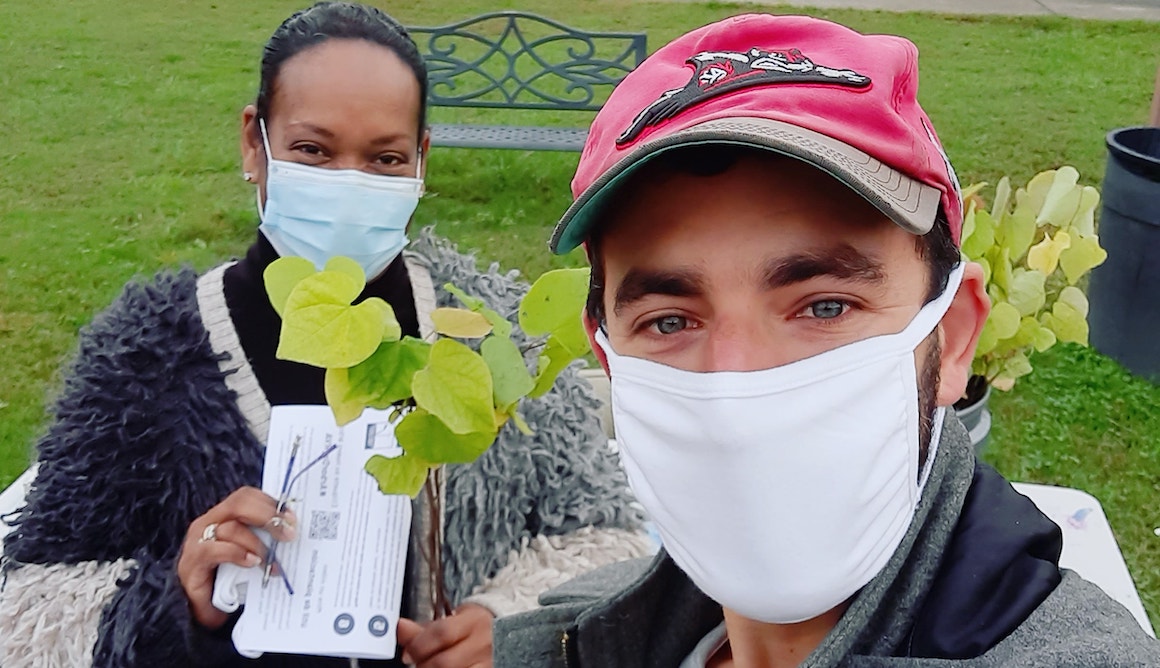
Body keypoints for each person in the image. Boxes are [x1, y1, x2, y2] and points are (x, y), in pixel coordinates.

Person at [493, 13, 1160, 667]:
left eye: (825, 306)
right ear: (609, 357)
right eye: (670, 322)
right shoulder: (574, 626)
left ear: (952, 337)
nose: (735, 402)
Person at [0, 3, 649, 666]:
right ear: (255, 143)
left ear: (421, 160)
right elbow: (28, 603)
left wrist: (509, 621)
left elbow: (611, 539)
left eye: (385, 158)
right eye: (312, 150)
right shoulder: (145, 356)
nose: (348, 184)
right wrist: (174, 599)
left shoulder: (489, 330)